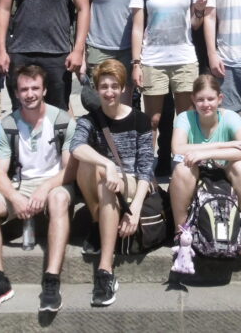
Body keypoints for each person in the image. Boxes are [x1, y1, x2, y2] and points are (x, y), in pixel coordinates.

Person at [0, 64, 78, 313]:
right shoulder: (8, 123)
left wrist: (45, 187)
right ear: (17, 92)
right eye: (24, 89)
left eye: (35, 88)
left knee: (58, 200)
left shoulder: (63, 121)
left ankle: (52, 279)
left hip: (55, 183)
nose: (29, 94)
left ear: (44, 90)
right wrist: (13, 196)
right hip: (20, 184)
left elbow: (70, 171)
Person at [70, 59, 155, 307]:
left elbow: (146, 168)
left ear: (123, 89)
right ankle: (100, 223)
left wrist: (136, 210)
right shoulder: (90, 120)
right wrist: (108, 165)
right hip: (109, 180)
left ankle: (105, 270)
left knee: (107, 184)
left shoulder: (140, 119)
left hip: (134, 183)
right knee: (88, 163)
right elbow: (76, 146)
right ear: (96, 89)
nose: (109, 92)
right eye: (104, 86)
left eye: (114, 86)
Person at [169, 74, 241, 253]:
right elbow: (177, 148)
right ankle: (181, 230)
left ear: (220, 99)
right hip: (196, 171)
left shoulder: (230, 117)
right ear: (193, 99)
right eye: (200, 99)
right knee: (182, 170)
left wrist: (207, 152)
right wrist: (224, 145)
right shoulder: (185, 117)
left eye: (211, 99)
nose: (206, 104)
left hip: (223, 170)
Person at [130, 0, 203, 146]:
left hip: (184, 58)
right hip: (153, 60)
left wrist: (198, 11)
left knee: (186, 118)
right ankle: (147, 171)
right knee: (152, 120)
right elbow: (137, 28)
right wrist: (136, 63)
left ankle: (184, 165)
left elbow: (195, 24)